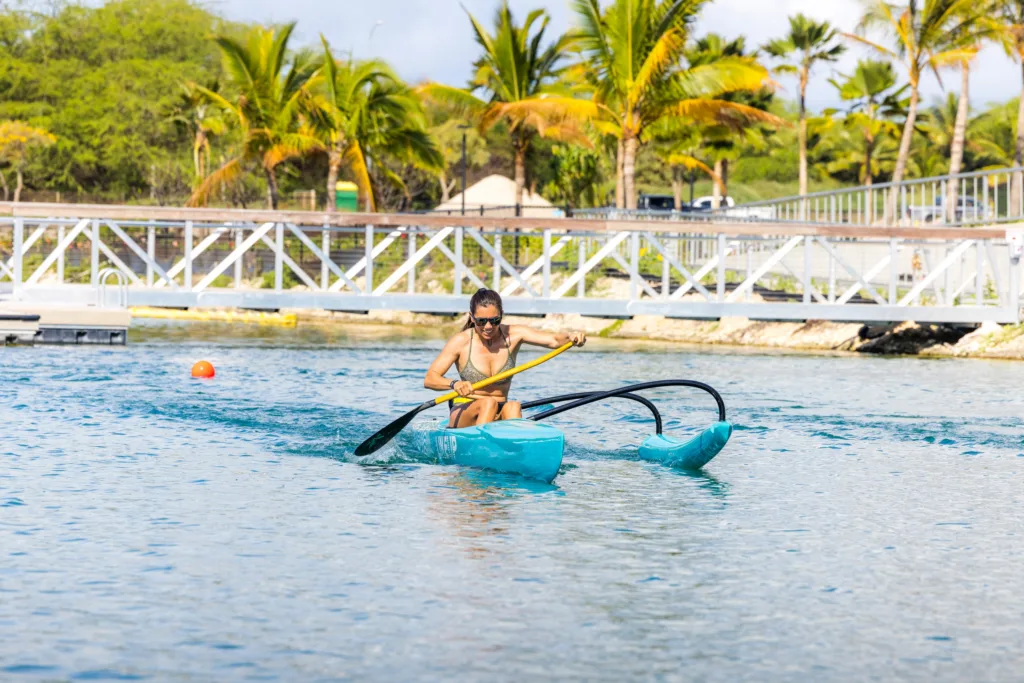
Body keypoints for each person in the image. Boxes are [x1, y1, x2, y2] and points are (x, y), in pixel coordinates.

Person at [424, 288, 586, 428]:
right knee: (488, 403)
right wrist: (454, 384)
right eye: (481, 321)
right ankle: (481, 447)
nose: (488, 327)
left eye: (494, 321)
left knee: (513, 405)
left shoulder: (514, 335)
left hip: (499, 408)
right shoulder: (461, 341)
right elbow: (430, 379)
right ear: (472, 317)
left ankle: (518, 450)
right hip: (466, 409)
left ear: (501, 315)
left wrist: (571, 336)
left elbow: (554, 340)